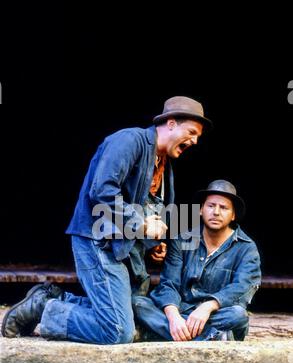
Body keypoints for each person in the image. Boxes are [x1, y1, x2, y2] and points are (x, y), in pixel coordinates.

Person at [2, 96, 212, 345]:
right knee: (118, 332)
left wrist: (153, 243)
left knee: (134, 313)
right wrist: (144, 226)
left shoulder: (164, 166)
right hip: (97, 242)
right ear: (170, 123)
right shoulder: (129, 140)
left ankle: (56, 300)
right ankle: (45, 308)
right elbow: (102, 190)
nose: (195, 141)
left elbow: (153, 210)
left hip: (124, 250)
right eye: (191, 132)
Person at [133, 179, 261, 342]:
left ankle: (162, 333)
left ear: (233, 215)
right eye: (210, 206)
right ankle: (208, 336)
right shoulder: (182, 241)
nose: (216, 212)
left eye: (223, 208)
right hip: (182, 312)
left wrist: (208, 307)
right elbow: (169, 284)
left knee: (238, 315)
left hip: (217, 314)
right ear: (200, 210)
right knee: (138, 303)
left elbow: (242, 288)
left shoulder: (246, 248)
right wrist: (173, 318)